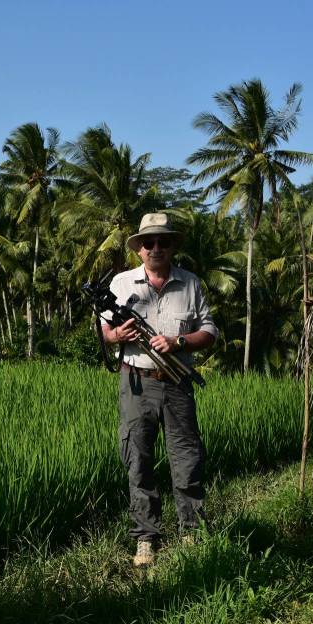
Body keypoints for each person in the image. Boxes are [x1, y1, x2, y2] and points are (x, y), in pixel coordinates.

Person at [101, 212, 219, 567]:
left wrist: (179, 340)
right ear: (139, 249)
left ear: (171, 247)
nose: (156, 248)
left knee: (186, 458)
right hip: (136, 381)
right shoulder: (121, 284)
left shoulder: (190, 283)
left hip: (179, 382)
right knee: (138, 459)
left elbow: (210, 330)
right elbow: (104, 331)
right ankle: (146, 537)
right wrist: (116, 335)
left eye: (162, 242)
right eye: (149, 242)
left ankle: (191, 532)